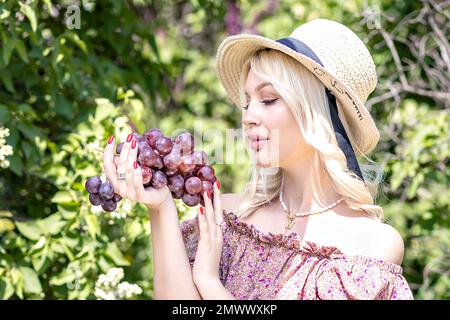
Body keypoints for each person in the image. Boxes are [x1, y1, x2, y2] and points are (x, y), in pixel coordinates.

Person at [102, 18, 414, 300]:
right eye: (248, 102)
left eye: (268, 100)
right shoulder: (226, 217)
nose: (248, 117)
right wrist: (161, 209)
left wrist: (211, 285)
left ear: (317, 111)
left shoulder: (369, 249)